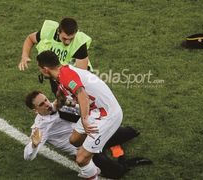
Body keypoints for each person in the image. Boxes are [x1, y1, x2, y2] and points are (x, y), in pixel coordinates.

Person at [36, 50, 127, 179]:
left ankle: (92, 174)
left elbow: (82, 94)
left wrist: (84, 120)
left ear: (45, 69)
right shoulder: (62, 73)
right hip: (95, 110)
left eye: (40, 69)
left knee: (80, 159)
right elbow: (62, 94)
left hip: (108, 115)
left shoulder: (67, 75)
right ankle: (94, 153)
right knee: (74, 140)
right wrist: (55, 104)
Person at [24, 91, 152, 179]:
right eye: (41, 104)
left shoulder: (59, 105)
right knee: (117, 172)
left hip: (93, 134)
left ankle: (112, 147)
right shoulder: (40, 128)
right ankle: (127, 163)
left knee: (130, 132)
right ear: (35, 110)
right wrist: (34, 145)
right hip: (84, 150)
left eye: (45, 100)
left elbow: (85, 109)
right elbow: (27, 157)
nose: (47, 104)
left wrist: (71, 104)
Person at [18, 17, 93, 95]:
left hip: (75, 77)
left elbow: (81, 75)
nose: (67, 42)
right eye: (64, 38)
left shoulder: (79, 44)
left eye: (71, 39)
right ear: (58, 32)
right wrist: (25, 56)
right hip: (56, 74)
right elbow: (30, 39)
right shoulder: (48, 32)